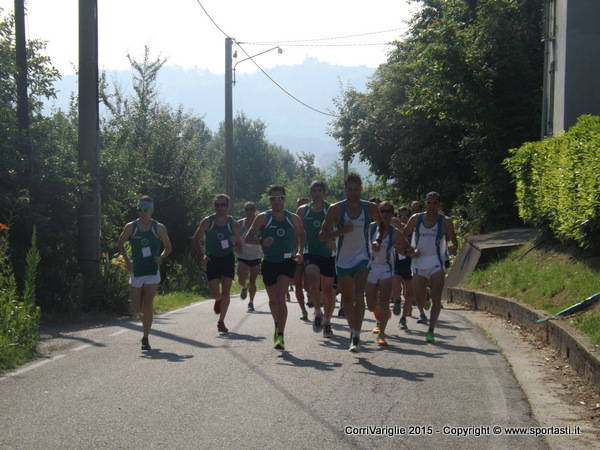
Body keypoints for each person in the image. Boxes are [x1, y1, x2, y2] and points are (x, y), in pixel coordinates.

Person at [320, 172, 386, 352]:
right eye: (350, 189)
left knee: (358, 296)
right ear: (345, 189)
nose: (353, 193)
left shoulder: (370, 207)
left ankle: (356, 335)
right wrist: (340, 232)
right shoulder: (336, 209)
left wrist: (378, 241)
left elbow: (382, 225)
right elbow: (322, 234)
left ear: (361, 189)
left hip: (363, 257)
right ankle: (353, 331)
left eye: (356, 189)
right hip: (343, 260)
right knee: (348, 300)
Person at [245, 185, 305, 351]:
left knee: (280, 297)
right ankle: (277, 325)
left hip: (287, 262)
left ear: (285, 200)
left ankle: (280, 334)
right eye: (273, 198)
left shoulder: (293, 218)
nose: (277, 201)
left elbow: (301, 234)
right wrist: (262, 242)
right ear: (269, 200)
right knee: (273, 301)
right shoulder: (262, 218)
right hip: (269, 262)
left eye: (280, 198)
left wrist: (300, 252)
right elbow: (248, 238)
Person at [118, 195, 172, 351]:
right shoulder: (131, 227)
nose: (143, 213)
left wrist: (161, 257)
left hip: (152, 271)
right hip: (137, 270)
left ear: (152, 210)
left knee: (148, 304)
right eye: (140, 210)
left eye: (146, 210)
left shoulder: (159, 227)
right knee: (136, 307)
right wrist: (128, 261)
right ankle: (145, 320)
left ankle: (145, 337)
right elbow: (120, 243)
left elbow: (168, 247)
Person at [402, 192, 458, 343]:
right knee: (418, 299)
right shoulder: (416, 219)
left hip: (436, 262)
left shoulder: (445, 221)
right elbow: (403, 236)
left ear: (439, 204)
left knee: (437, 298)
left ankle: (431, 330)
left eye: (435, 203)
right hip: (419, 262)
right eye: (429, 203)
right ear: (425, 203)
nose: (432, 206)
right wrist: (410, 251)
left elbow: (453, 239)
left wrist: (453, 247)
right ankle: (424, 297)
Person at [192, 194, 241, 334]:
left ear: (227, 206)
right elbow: (195, 239)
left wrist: (235, 241)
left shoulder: (233, 223)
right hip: (212, 258)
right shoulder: (208, 221)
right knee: (215, 293)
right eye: (217, 205)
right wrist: (202, 255)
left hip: (227, 258)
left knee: (226, 291)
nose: (220, 208)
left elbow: (238, 246)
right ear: (214, 206)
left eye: (223, 205)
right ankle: (218, 299)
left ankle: (221, 321)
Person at [297, 181, 337, 338]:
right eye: (314, 190)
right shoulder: (302, 210)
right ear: (310, 193)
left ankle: (327, 321)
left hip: (328, 253)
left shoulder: (331, 209)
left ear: (324, 192)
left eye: (320, 190)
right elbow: (298, 231)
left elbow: (341, 227)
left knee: (328, 291)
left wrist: (333, 239)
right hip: (310, 251)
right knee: (313, 283)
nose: (317, 193)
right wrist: (298, 250)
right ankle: (318, 311)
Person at [365, 201, 406, 346]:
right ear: (378, 213)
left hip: (386, 269)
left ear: (392, 214)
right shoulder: (370, 228)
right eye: (382, 211)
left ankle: (382, 333)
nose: (385, 214)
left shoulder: (394, 232)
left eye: (389, 211)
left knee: (383, 301)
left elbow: (405, 247)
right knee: (370, 305)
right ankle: (382, 315)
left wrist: (406, 250)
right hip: (371, 269)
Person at [237, 202, 262, 312]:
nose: (249, 211)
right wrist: (235, 245)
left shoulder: (259, 224)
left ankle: (251, 302)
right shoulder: (240, 223)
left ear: (255, 210)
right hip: (242, 255)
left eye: (251, 209)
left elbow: (263, 239)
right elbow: (235, 237)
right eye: (247, 209)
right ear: (245, 211)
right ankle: (244, 286)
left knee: (253, 281)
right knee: (241, 278)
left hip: (255, 256)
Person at [293, 196, 310, 319]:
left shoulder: (314, 219)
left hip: (311, 253)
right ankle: (303, 310)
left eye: (304, 204)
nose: (301, 207)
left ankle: (311, 296)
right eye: (299, 204)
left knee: (308, 284)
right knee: (298, 284)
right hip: (296, 255)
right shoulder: (291, 220)